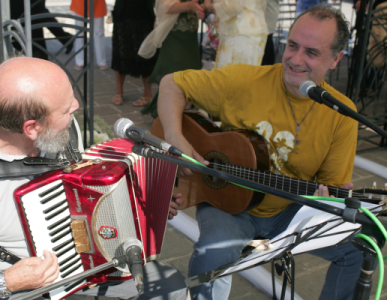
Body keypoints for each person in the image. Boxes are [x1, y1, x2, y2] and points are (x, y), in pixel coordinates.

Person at [0, 57, 187, 300]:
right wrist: (4, 282)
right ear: (33, 128)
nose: (76, 106)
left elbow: (83, 190)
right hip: (26, 288)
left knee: (171, 286)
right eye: (66, 109)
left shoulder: (56, 133)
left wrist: (141, 208)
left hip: (88, 259)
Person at [157, 5, 361, 300]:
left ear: (336, 59)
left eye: (312, 53)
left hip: (288, 211)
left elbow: (327, 189)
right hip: (226, 204)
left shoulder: (342, 114)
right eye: (292, 46)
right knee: (214, 249)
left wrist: (326, 204)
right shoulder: (244, 81)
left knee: (356, 250)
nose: (296, 59)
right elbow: (170, 84)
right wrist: (176, 138)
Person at [138, 0, 204, 118]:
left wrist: (202, 8)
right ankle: (168, 115)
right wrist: (190, 5)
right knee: (173, 72)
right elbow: (165, 7)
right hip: (173, 35)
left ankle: (184, 114)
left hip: (190, 37)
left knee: (191, 73)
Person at [111, 0, 158, 107]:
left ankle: (147, 93)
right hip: (122, 15)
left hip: (143, 16)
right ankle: (119, 91)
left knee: (144, 54)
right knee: (120, 53)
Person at [203, 0, 269, 68]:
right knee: (246, 76)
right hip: (251, 30)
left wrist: (209, 6)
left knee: (231, 76)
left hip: (238, 33)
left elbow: (234, 5)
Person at [70, 0, 109, 70]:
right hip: (80, 3)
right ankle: (80, 61)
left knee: (99, 32)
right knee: (80, 33)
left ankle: (101, 61)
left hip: (98, 3)